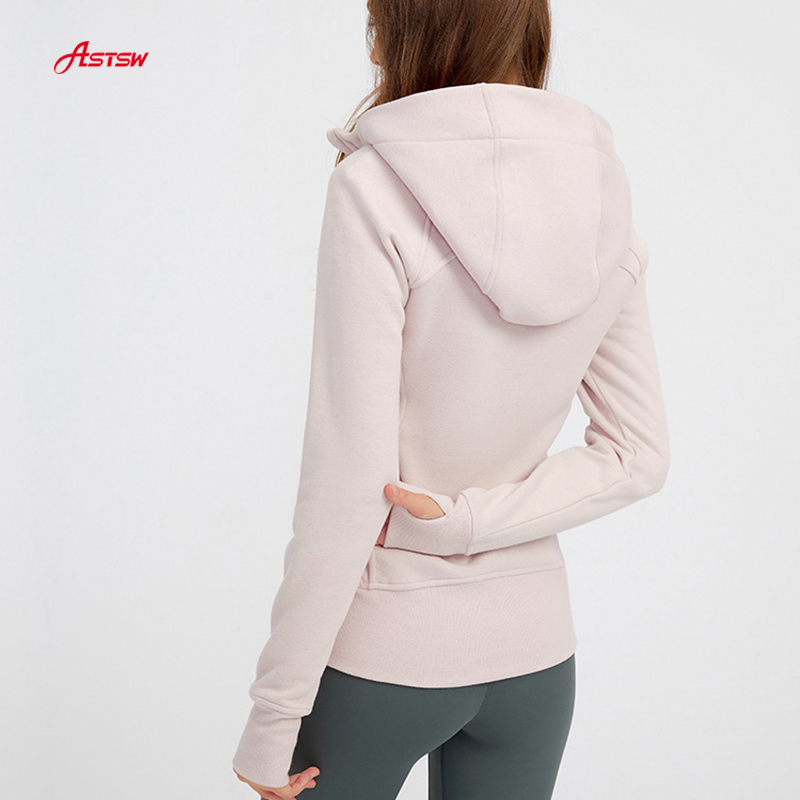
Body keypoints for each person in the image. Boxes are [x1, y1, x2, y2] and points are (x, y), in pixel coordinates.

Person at [232, 0, 670, 798]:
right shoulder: (602, 195)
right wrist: (472, 521)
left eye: (379, 22)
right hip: (536, 662)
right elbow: (638, 456)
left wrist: (275, 711)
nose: (373, 45)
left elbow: (348, 481)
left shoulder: (373, 188)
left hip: (384, 659)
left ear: (417, 28)